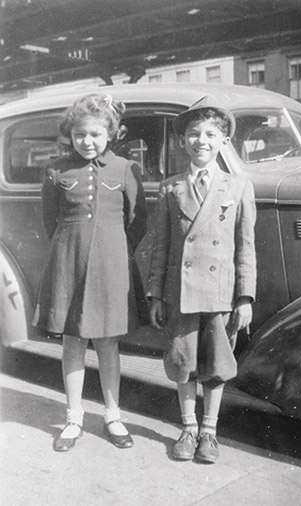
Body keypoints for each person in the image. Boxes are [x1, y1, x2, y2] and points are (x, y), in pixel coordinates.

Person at [33, 93, 147, 452]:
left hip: (111, 266)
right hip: (69, 265)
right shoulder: (56, 170)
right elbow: (50, 220)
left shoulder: (126, 169)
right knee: (73, 342)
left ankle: (113, 416)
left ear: (110, 134)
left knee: (108, 342)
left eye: (96, 135)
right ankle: (74, 417)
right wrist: (74, 250)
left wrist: (108, 250)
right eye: (80, 135)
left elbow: (136, 222)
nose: (87, 142)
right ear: (71, 134)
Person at [147, 95, 256, 464]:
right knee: (183, 361)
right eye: (194, 134)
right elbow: (161, 248)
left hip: (220, 294)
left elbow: (246, 247)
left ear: (225, 141)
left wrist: (246, 297)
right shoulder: (170, 188)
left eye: (211, 134)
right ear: (182, 141)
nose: (201, 141)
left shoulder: (238, 186)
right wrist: (155, 294)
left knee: (216, 365)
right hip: (180, 293)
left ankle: (209, 430)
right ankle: (188, 427)